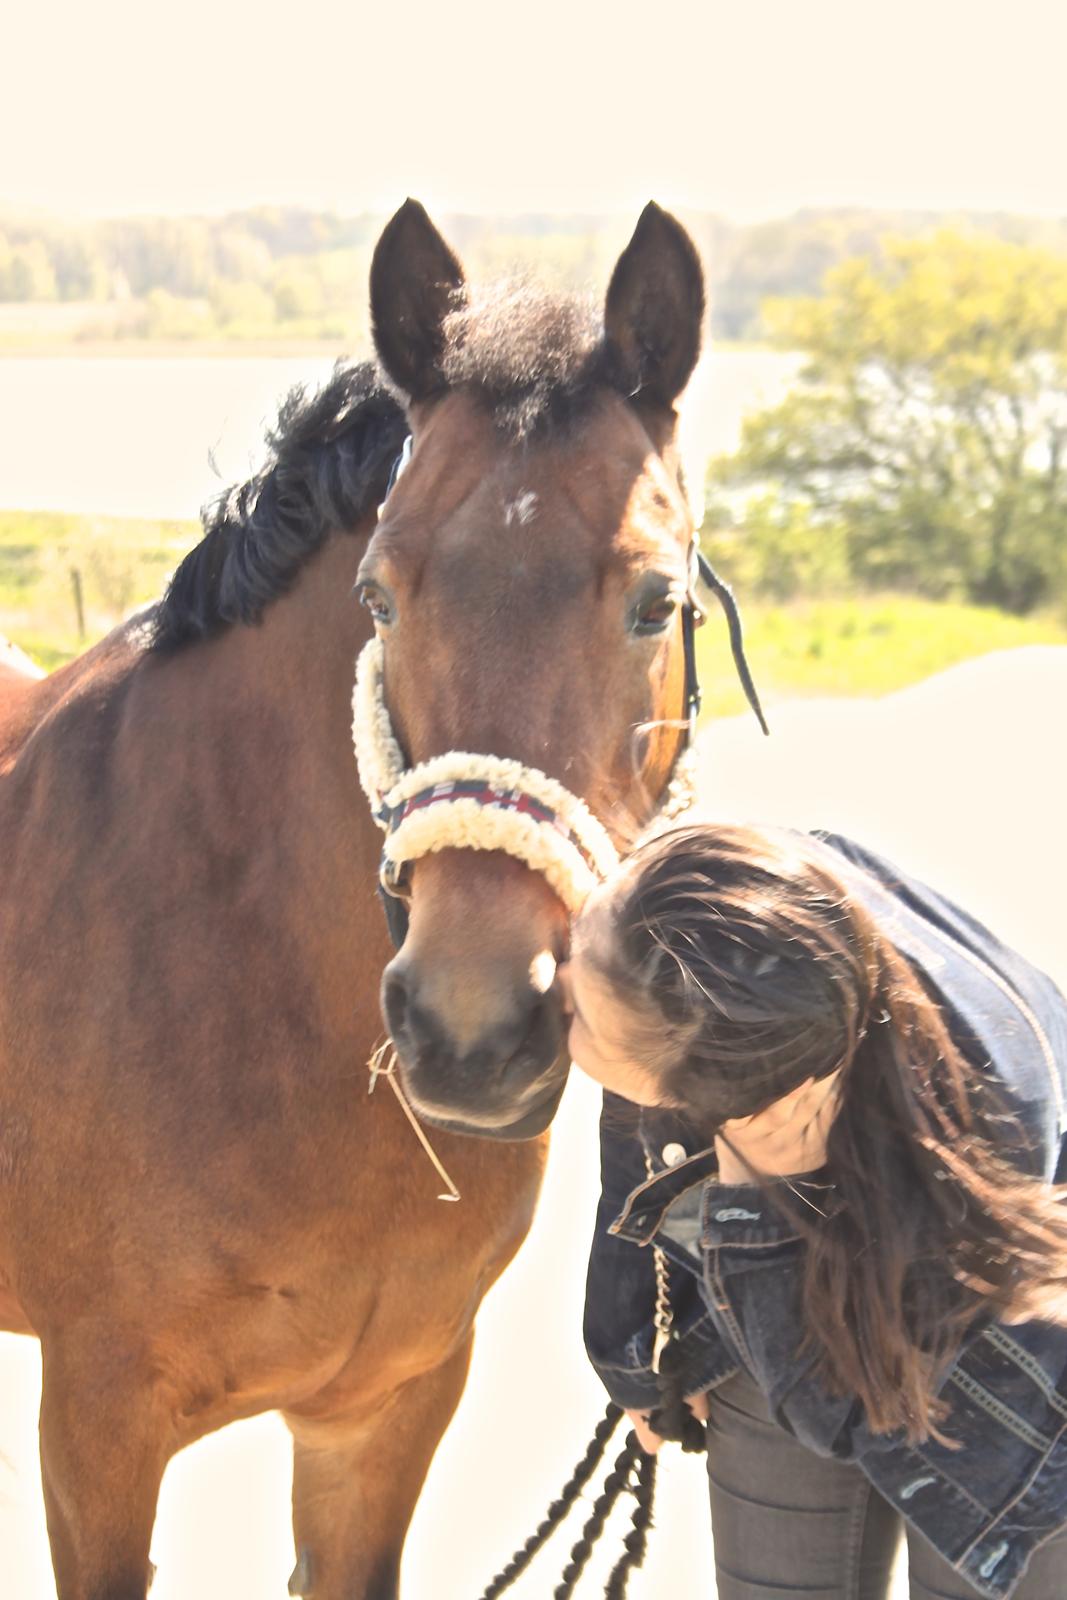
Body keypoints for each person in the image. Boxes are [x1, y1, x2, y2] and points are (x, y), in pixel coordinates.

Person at [558, 823, 1067, 1600]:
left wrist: (749, 1195)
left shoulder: (986, 1134)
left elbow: (841, 1411)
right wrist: (640, 1360)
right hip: (797, 1279)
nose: (552, 985)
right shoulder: (709, 923)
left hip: (1003, 1399)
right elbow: (640, 1140)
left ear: (731, 1096)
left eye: (581, 1018)